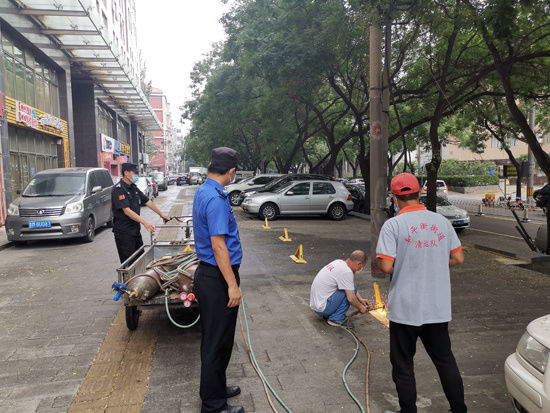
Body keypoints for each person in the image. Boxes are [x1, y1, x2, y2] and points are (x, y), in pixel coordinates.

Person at [376, 173, 467, 413]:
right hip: (437, 308)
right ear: (419, 193)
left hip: (405, 310)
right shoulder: (441, 222)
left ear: (395, 198)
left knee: (403, 364)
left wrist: (408, 265)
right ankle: (459, 409)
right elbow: (458, 257)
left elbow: (385, 266)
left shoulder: (393, 225)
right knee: (445, 360)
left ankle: (408, 411)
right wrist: (434, 263)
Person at [193, 147, 244, 413]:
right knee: (216, 341)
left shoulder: (206, 190)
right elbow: (218, 246)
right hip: (217, 277)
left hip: (213, 274)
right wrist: (232, 285)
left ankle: (216, 388)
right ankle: (213, 405)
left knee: (220, 339)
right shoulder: (214, 199)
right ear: (231, 171)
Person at [111, 163, 169, 263]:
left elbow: (147, 201)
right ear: (126, 173)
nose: (136, 175)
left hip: (135, 231)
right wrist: (145, 223)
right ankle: (128, 279)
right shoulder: (119, 189)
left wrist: (161, 214)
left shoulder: (134, 188)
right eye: (135, 173)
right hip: (124, 233)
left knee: (140, 260)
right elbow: (127, 211)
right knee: (129, 263)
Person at [310, 250, 370, 329]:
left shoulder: (339, 262)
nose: (360, 269)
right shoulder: (346, 272)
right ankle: (336, 318)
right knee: (348, 294)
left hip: (317, 306)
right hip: (323, 308)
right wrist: (361, 308)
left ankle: (332, 313)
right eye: (362, 267)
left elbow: (351, 286)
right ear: (358, 264)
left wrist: (360, 299)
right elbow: (351, 299)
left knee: (351, 286)